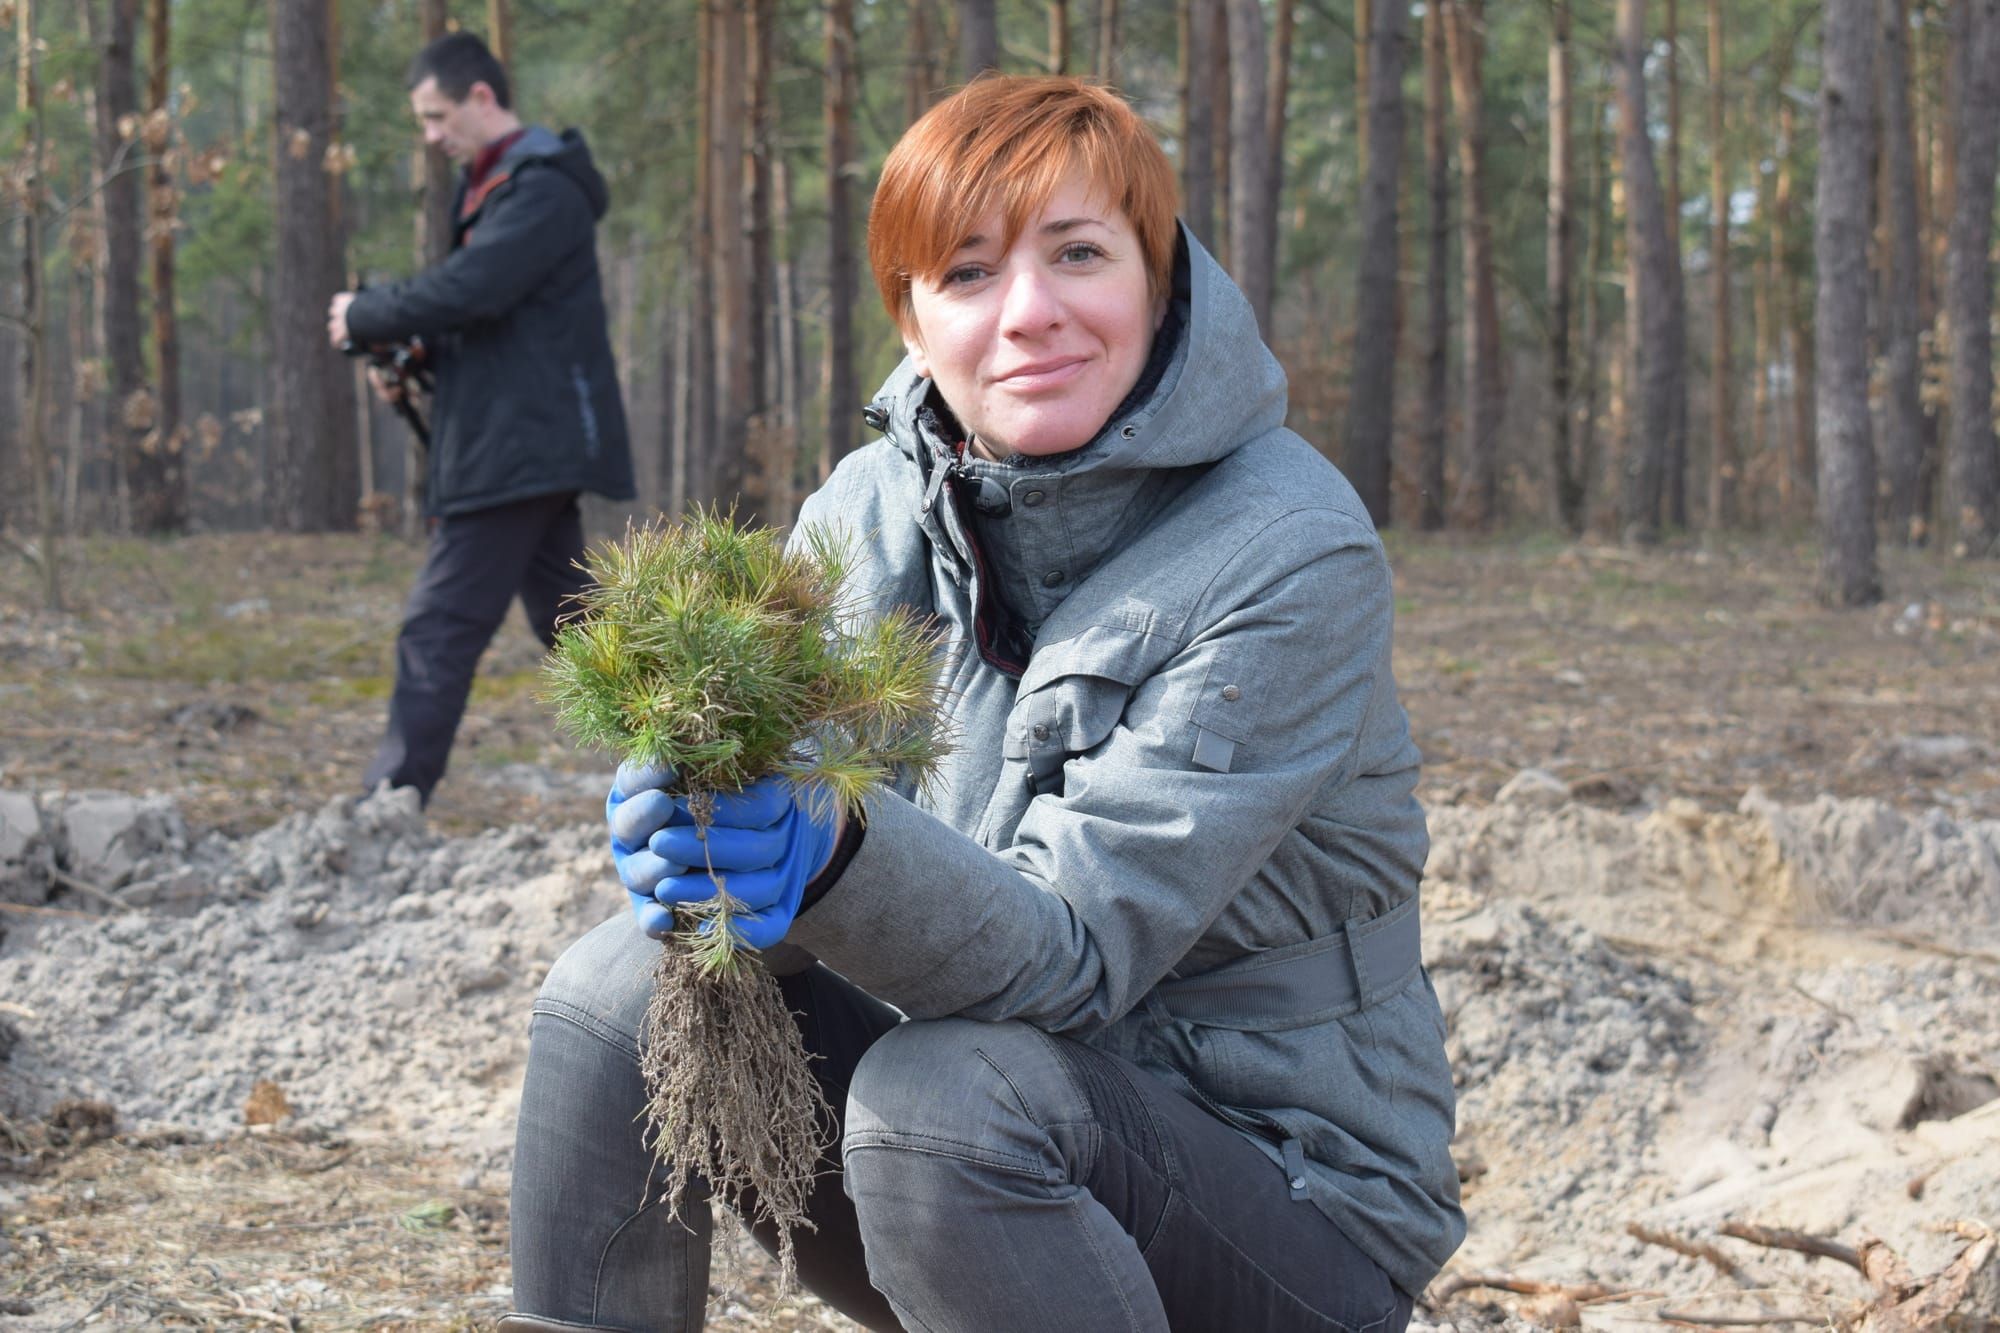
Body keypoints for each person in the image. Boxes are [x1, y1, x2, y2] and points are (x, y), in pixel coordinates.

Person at [502, 76, 1462, 1332]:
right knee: (615, 987)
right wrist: (716, 857)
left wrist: (829, 850)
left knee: (948, 1097)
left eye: (1077, 254)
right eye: (965, 273)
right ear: (909, 317)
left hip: (1282, 1207)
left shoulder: (1287, 550)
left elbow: (1070, 959)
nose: (1029, 315)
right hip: (972, 1191)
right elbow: (824, 896)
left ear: (1156, 277)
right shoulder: (862, 513)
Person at [324, 31, 634, 807]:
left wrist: (368, 313)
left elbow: (476, 288)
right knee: (581, 628)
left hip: (517, 449)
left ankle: (390, 799)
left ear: (482, 98)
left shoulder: (540, 190)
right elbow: (497, 326)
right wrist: (417, 360)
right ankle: (711, 755)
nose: (430, 138)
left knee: (439, 625)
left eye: (436, 117)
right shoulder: (505, 187)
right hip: (518, 443)